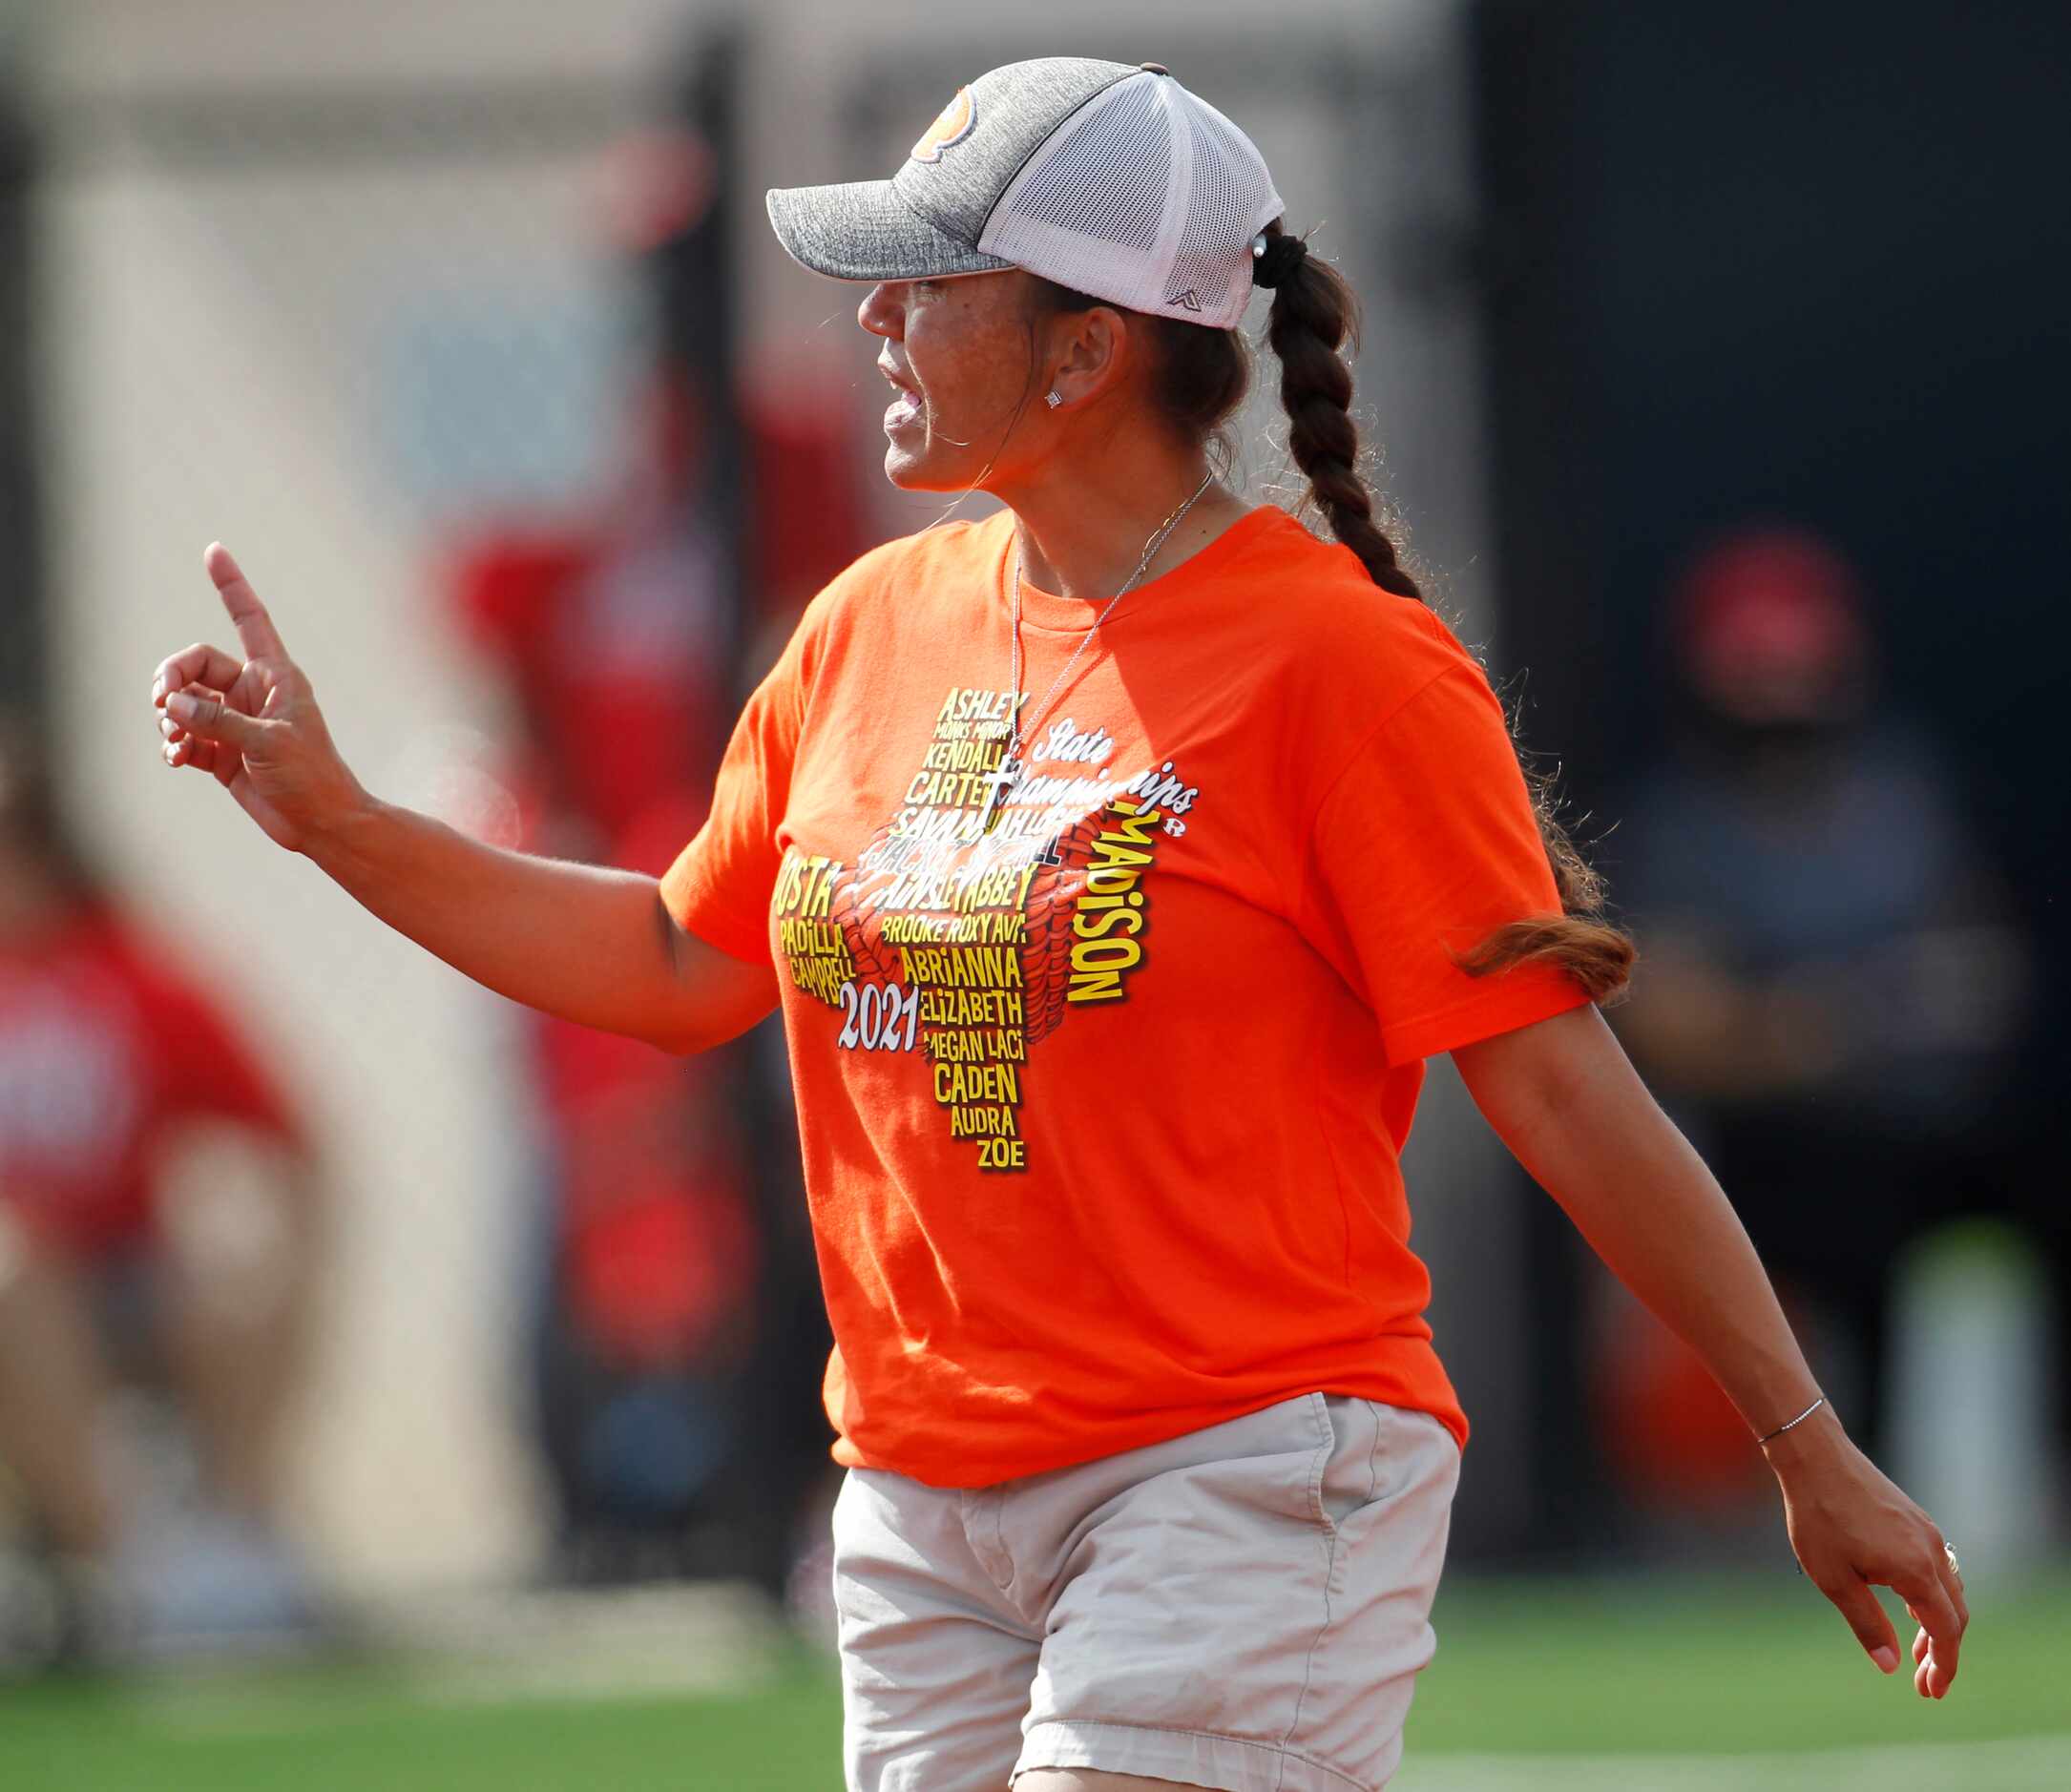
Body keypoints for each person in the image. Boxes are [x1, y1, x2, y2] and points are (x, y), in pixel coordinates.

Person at [151, 55, 1966, 1792]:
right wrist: (339, 826)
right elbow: (674, 964)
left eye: (925, 281)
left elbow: (1563, 1091)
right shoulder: (864, 623)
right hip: (919, 1497)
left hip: (1245, 1466)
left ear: (1087, 348)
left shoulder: (1342, 667)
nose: (867, 318)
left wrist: (1805, 1444)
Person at [0, 730, 324, 1663]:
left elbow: (294, 1144)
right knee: (18, 1273)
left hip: (135, 1273)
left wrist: (278, 1253)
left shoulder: (136, 977)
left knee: (236, 1253)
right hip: (26, 1291)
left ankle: (229, 1542)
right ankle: (125, 1563)